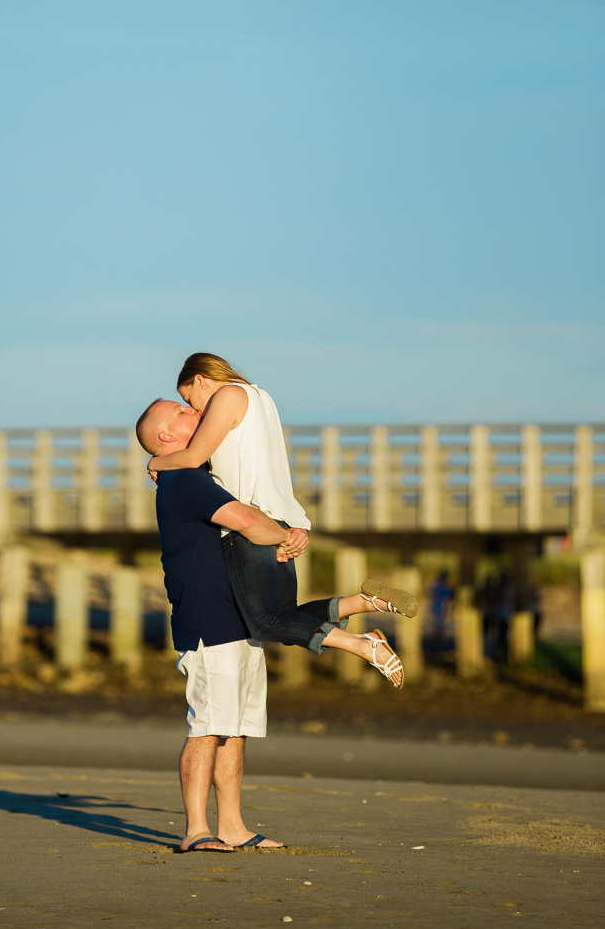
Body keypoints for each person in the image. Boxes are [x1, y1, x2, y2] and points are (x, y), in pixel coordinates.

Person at [141, 353, 413, 685]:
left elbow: (195, 456)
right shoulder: (261, 397)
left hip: (253, 520)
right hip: (281, 516)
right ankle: (366, 601)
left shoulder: (226, 396)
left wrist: (156, 464)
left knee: (265, 622)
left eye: (188, 401)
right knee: (284, 616)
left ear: (201, 380)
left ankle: (361, 643)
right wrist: (289, 529)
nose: (195, 409)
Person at [146, 410, 296, 852]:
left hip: (238, 619)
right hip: (209, 624)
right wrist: (285, 536)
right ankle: (196, 829)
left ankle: (232, 825)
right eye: (179, 411)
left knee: (235, 727)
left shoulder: (199, 475)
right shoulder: (184, 480)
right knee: (208, 727)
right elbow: (248, 521)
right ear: (166, 435)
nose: (193, 411)